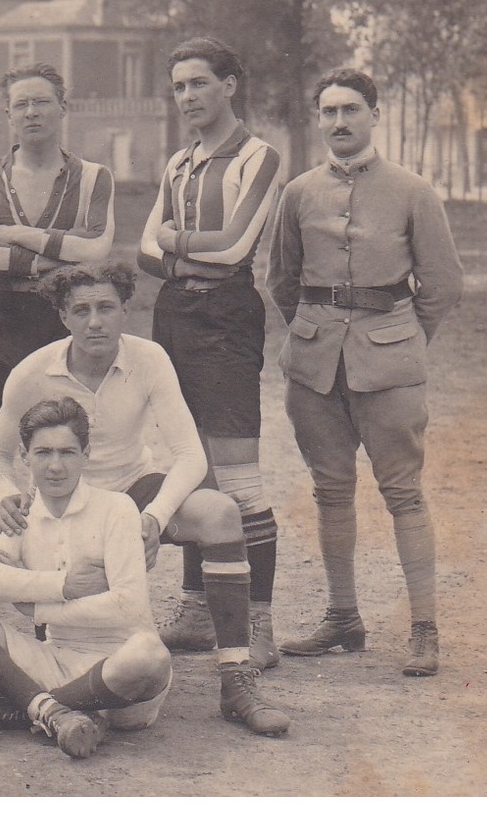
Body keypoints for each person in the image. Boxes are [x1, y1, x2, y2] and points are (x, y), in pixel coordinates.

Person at [0, 263, 288, 735]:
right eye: (81, 310)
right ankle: (58, 686)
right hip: (68, 501)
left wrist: (153, 515)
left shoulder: (149, 358)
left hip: (133, 486)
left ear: (126, 310)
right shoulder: (32, 372)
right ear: (63, 316)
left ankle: (236, 678)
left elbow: (190, 455)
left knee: (221, 513)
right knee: (74, 625)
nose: (95, 322)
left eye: (106, 307)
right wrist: (5, 494)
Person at [269, 68, 464, 677]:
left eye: (351, 109)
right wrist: (316, 330)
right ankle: (343, 616)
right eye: (327, 111)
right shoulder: (298, 192)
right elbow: (282, 278)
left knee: (403, 492)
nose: (339, 122)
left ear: (374, 115)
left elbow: (443, 283)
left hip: (390, 363)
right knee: (330, 491)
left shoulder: (412, 191)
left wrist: (401, 338)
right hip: (314, 365)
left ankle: (424, 627)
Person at [136, 37, 284, 667]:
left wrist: (174, 243)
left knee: (239, 478)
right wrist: (176, 249)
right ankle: (197, 609)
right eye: (178, 86)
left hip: (226, 319)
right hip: (173, 315)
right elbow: (142, 251)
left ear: (230, 85)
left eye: (200, 83)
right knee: (187, 467)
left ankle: (258, 623)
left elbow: (233, 249)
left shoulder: (260, 157)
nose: (188, 97)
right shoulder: (177, 163)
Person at [0, 397, 173, 759]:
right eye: (42, 453)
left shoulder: (116, 508)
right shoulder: (24, 516)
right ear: (24, 457)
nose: (55, 466)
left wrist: (38, 610)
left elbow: (129, 608)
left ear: (85, 454)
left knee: (150, 653)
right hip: (53, 661)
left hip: (121, 675)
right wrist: (61, 586)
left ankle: (20, 710)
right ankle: (56, 710)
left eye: (67, 453)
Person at [0, 64, 114, 560]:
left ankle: (62, 584)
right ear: (7, 114)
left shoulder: (92, 177)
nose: (32, 112)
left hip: (62, 322)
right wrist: (58, 255)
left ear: (62, 108)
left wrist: (19, 237)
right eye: (21, 104)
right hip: (2, 318)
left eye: (42, 101)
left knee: (63, 458)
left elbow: (97, 250)